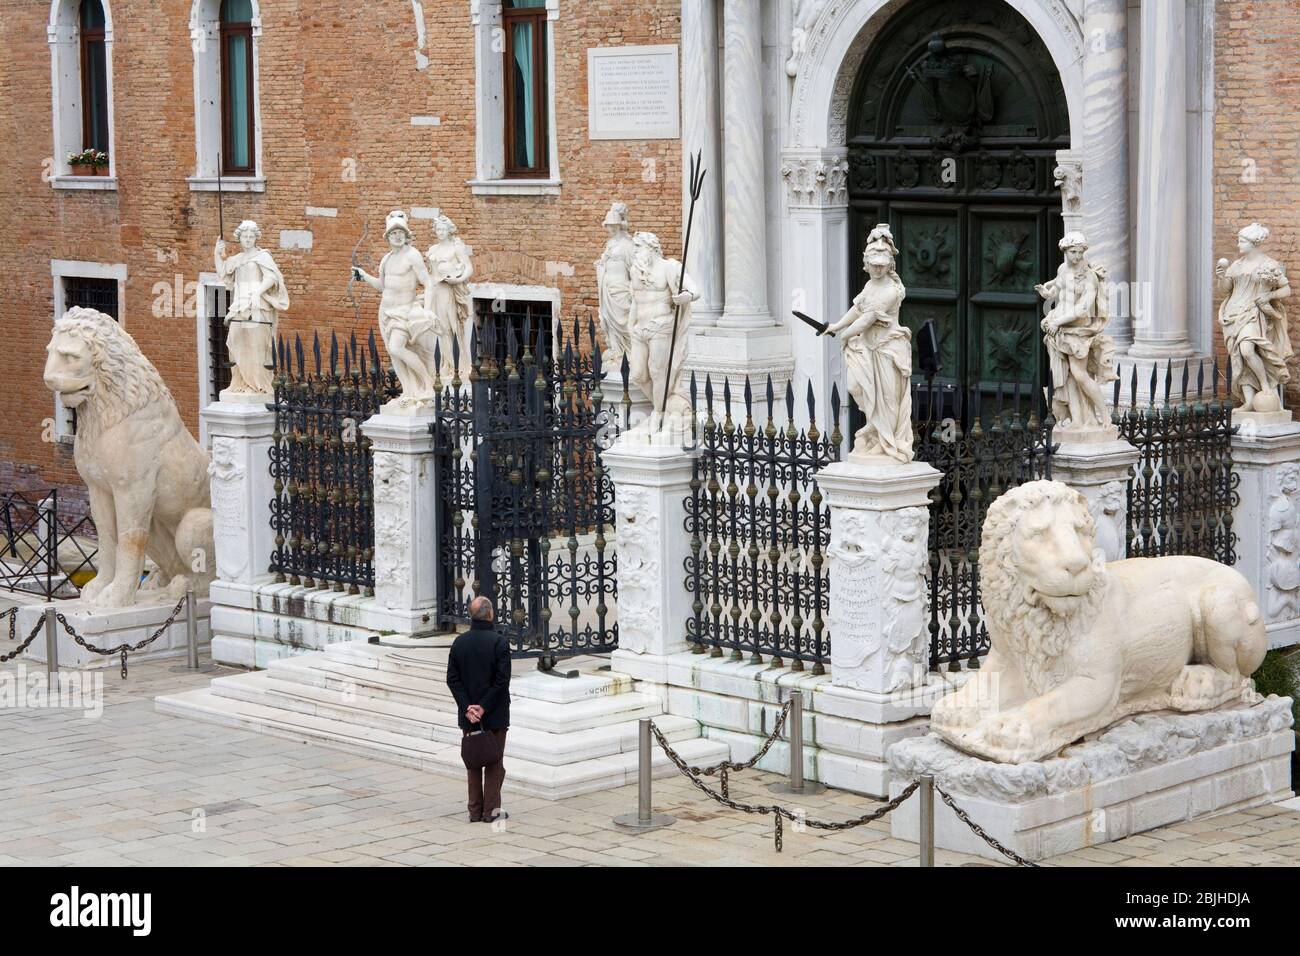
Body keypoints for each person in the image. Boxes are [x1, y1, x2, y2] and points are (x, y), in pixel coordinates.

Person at [827, 223, 913, 462]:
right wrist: (836, 326)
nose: (876, 269)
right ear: (866, 263)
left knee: (886, 398)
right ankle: (875, 432)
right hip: (868, 348)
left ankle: (886, 442)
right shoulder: (870, 285)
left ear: (889, 265)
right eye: (873, 265)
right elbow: (858, 308)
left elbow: (867, 319)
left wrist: (844, 336)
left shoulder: (891, 291)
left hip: (888, 350)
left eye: (881, 266)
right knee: (857, 387)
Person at [445, 596, 511, 823]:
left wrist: (468, 707)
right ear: (491, 614)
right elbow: (502, 681)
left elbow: (452, 680)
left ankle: (474, 811)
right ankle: (491, 812)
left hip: (469, 716)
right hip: (494, 713)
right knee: (494, 763)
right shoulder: (499, 643)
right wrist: (483, 707)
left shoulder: (459, 643)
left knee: (473, 762)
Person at [214, 220, 288, 396]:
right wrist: (217, 254)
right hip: (239, 305)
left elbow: (272, 278)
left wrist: (257, 292)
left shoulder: (262, 256)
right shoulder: (238, 259)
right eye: (244, 236)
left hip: (258, 305)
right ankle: (239, 383)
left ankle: (257, 385)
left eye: (251, 236)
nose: (248, 240)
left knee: (256, 345)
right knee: (233, 341)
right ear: (239, 238)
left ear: (256, 238)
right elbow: (223, 273)